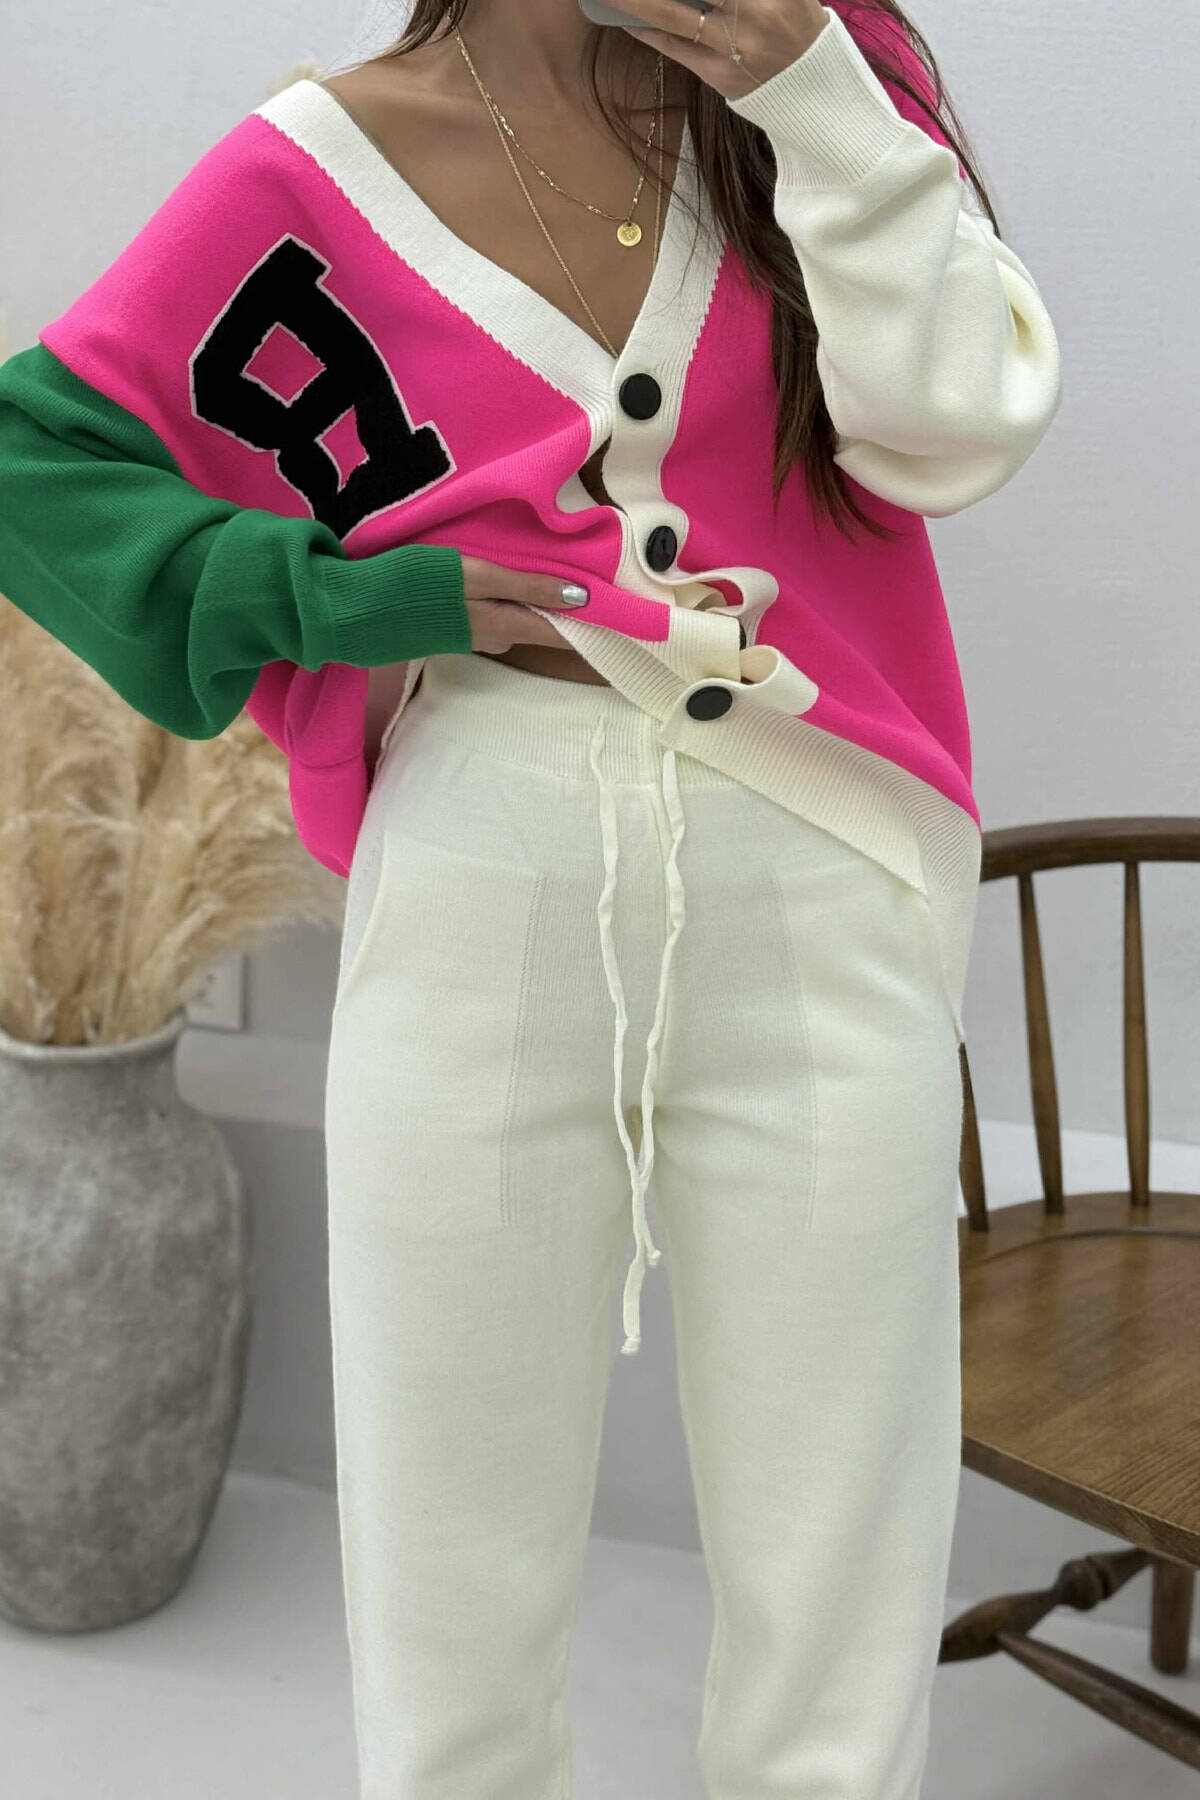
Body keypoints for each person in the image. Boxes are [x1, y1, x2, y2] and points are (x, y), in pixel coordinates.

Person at [0, 0, 1063, 1792]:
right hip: (483, 873)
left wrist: (811, 91)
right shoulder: (321, 166)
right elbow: (36, 460)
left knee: (843, 1581)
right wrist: (345, 597)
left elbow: (953, 432)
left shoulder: (814, 74)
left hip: (820, 869)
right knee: (449, 1596)